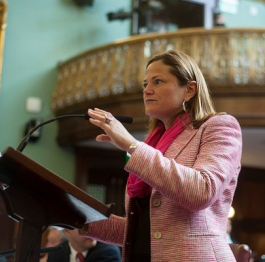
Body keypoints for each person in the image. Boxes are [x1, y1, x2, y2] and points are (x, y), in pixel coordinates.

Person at [79, 50, 242, 261]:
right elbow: (146, 231)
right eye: (145, 84)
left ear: (190, 89)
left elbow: (202, 191)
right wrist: (76, 217)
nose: (147, 90)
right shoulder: (154, 145)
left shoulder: (219, 127)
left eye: (158, 82)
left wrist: (131, 145)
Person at [47, 228, 121, 262]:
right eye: (85, 228)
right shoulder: (55, 253)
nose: (92, 232)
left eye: (94, 226)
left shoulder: (108, 251)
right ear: (67, 231)